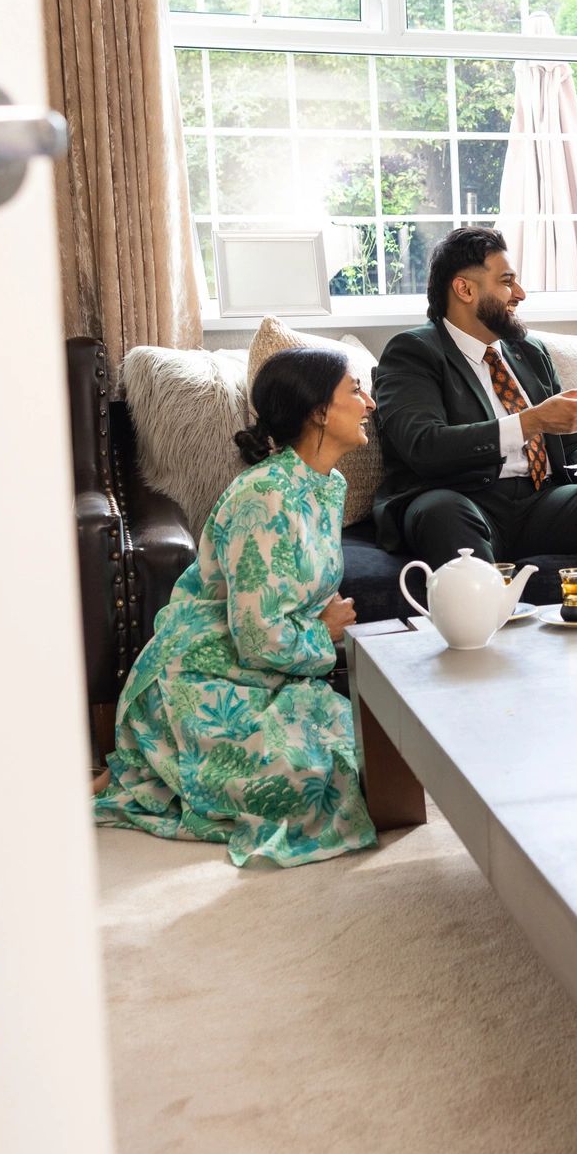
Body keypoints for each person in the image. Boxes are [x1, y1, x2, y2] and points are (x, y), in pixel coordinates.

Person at [93, 346, 379, 867]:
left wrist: (316, 624)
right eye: (355, 391)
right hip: (204, 672)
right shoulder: (264, 498)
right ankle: (150, 761)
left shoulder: (328, 485)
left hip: (274, 675)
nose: (369, 404)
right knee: (317, 781)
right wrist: (325, 631)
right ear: (318, 411)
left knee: (370, 759)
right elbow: (256, 635)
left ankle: (149, 768)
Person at [371, 226, 577, 592]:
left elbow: (572, 445)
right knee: (441, 512)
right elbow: (424, 446)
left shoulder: (528, 351)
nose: (520, 294)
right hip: (461, 500)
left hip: (540, 501)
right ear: (464, 289)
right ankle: (484, 638)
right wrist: (529, 422)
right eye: (507, 282)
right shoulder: (414, 351)